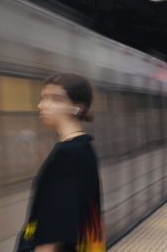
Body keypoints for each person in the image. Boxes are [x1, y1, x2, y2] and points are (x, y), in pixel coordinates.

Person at [17, 73, 104, 252]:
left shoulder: (69, 156)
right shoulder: (83, 149)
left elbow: (52, 236)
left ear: (77, 108)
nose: (42, 105)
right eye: (43, 98)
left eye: (55, 99)